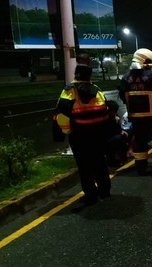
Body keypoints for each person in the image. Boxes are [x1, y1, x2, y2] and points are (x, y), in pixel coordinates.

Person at [54, 56, 111, 205]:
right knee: (100, 162)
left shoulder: (69, 91)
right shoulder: (97, 90)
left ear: (76, 74)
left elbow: (61, 115)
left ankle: (91, 195)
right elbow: (105, 112)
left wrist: (67, 131)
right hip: (97, 134)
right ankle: (105, 191)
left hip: (79, 135)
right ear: (89, 75)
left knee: (84, 166)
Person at [118, 48, 152, 175]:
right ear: (145, 60)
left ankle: (141, 167)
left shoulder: (126, 78)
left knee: (139, 142)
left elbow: (122, 96)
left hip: (136, 118)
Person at [105, 100, 130, 167]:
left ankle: (122, 156)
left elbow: (118, 129)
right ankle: (115, 157)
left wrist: (121, 130)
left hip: (112, 136)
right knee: (119, 138)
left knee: (126, 133)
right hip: (106, 140)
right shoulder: (104, 119)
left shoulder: (114, 117)